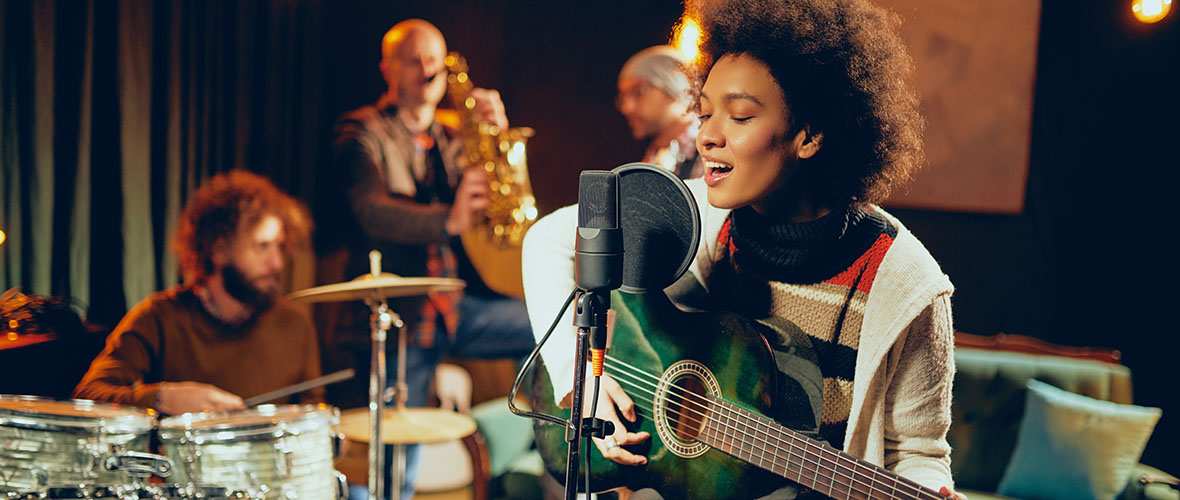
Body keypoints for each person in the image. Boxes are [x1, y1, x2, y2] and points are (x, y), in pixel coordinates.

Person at [522, 0, 966, 498]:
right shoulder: (692, 213)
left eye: (739, 116)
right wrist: (577, 378)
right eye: (705, 112)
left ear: (810, 133)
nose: (708, 136)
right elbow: (548, 239)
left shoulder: (908, 288)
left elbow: (917, 453)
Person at [320, 18, 537, 500]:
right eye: (414, 59)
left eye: (435, 60)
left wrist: (497, 138)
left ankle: (555, 444)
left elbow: (502, 198)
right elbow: (371, 210)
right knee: (393, 457)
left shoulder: (452, 136)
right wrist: (448, 219)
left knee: (547, 322)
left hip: (455, 306)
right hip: (401, 315)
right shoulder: (361, 132)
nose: (427, 70)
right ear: (388, 68)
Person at [74, 171, 322, 415]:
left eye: (279, 246)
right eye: (262, 246)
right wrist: (162, 398)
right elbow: (88, 395)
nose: (277, 262)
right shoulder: (158, 317)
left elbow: (314, 410)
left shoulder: (295, 324)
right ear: (218, 248)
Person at [617, 45, 703, 179]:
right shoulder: (655, 156)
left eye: (639, 92)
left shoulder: (709, 146)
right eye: (623, 97)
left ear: (674, 87)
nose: (626, 108)